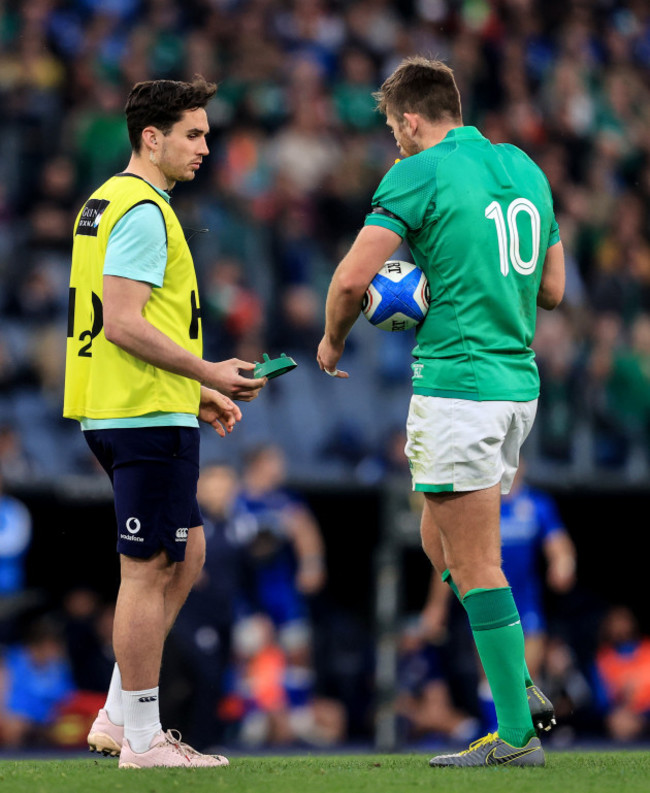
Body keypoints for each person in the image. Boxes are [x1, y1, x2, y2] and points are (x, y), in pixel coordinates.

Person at [317, 56, 565, 767]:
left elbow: (351, 279)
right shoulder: (523, 167)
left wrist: (333, 341)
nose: (395, 141)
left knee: (478, 563)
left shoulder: (416, 172)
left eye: (395, 127)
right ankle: (516, 672)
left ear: (412, 118)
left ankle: (515, 734)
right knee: (438, 539)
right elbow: (553, 287)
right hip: (517, 385)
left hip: (460, 386)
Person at [63, 76, 267, 769]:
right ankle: (144, 739)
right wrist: (208, 372)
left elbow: (121, 321)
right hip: (142, 412)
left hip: (123, 404)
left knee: (190, 554)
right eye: (194, 133)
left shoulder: (102, 201)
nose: (207, 146)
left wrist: (192, 392)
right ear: (151, 138)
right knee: (148, 570)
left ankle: (120, 714)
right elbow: (122, 322)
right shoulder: (146, 209)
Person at [421, 463, 576, 732]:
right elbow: (451, 558)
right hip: (487, 602)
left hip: (526, 605)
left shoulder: (536, 504)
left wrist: (563, 564)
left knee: (524, 674)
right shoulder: (478, 507)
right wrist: (436, 607)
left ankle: (521, 735)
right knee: (491, 675)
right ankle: (497, 731)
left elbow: (559, 545)